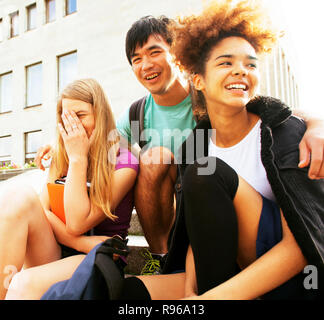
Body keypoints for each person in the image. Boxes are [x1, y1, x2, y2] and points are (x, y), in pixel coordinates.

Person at [35, 15, 324, 275]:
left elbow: (265, 110)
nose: (146, 64)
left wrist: (317, 124)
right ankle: (161, 257)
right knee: (154, 157)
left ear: (177, 54)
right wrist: (60, 139)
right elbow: (100, 132)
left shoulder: (208, 95)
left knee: (200, 172)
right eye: (136, 58)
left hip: (226, 199)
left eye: (154, 52)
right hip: (180, 207)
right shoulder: (137, 115)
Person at [116, 0, 324, 300]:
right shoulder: (193, 141)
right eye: (226, 62)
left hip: (286, 273)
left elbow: (303, 245)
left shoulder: (283, 132)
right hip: (220, 264)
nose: (240, 71)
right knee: (126, 294)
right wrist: (190, 291)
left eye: (250, 64)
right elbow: (197, 223)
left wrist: (317, 124)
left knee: (205, 173)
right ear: (199, 78)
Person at [0, 79, 138, 300]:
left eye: (81, 115)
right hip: (61, 248)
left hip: (98, 258)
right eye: (67, 117)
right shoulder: (61, 157)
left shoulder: (124, 163)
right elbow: (41, 212)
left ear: (99, 115)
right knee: (18, 197)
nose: (74, 124)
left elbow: (77, 223)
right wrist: (79, 242)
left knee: (21, 283)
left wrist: (77, 159)